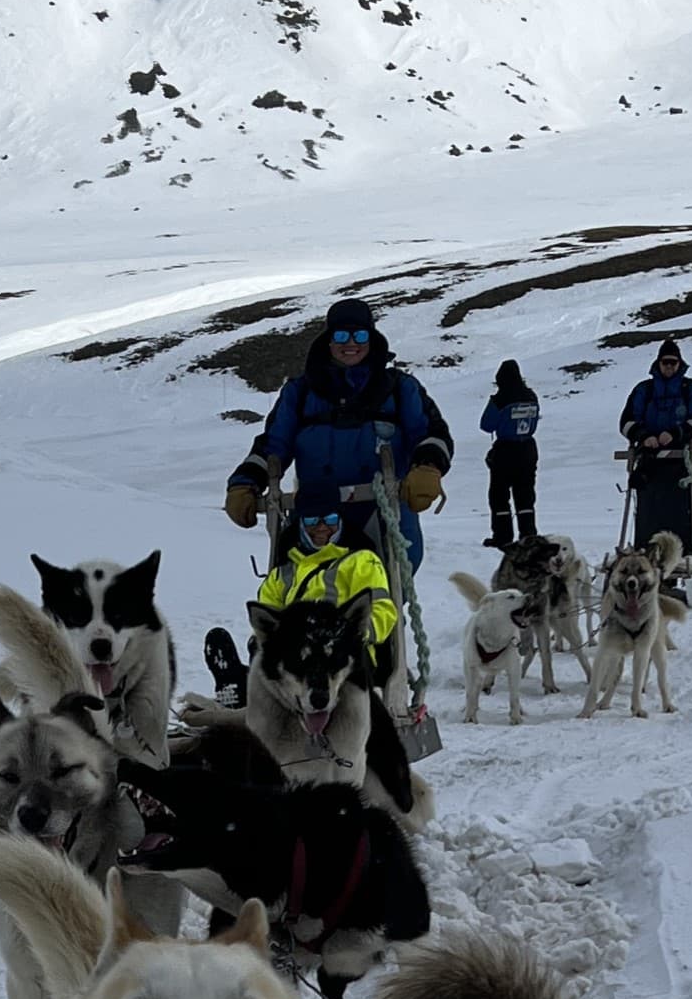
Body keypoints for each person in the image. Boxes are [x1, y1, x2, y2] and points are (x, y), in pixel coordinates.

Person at [223, 299, 451, 572]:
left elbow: (431, 434)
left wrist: (428, 467)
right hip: (316, 520)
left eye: (360, 334)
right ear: (328, 341)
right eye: (340, 334)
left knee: (382, 598)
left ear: (372, 339)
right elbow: (273, 445)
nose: (350, 342)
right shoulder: (300, 393)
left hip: (386, 515)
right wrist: (245, 483)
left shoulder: (400, 389)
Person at [203, 487, 398, 705]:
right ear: (302, 524)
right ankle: (245, 690)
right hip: (295, 655)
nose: (322, 527)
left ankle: (252, 695)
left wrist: (356, 634)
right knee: (269, 655)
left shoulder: (361, 561)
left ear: (340, 520)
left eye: (331, 519)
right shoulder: (283, 573)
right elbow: (268, 614)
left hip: (342, 656)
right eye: (313, 520)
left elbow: (383, 608)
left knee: (310, 666)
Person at [619, 340, 692, 569]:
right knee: (650, 503)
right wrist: (644, 435)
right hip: (650, 458)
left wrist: (677, 433)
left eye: (673, 362)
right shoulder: (643, 391)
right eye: (665, 362)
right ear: (658, 363)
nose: (669, 367)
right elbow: (626, 421)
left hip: (685, 455)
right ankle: (646, 550)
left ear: (679, 363)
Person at [480, 357, 540, 548]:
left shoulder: (500, 399)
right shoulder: (531, 396)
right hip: (528, 449)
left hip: (505, 451)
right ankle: (528, 534)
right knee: (525, 495)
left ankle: (503, 536)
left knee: (499, 496)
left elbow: (486, 425)